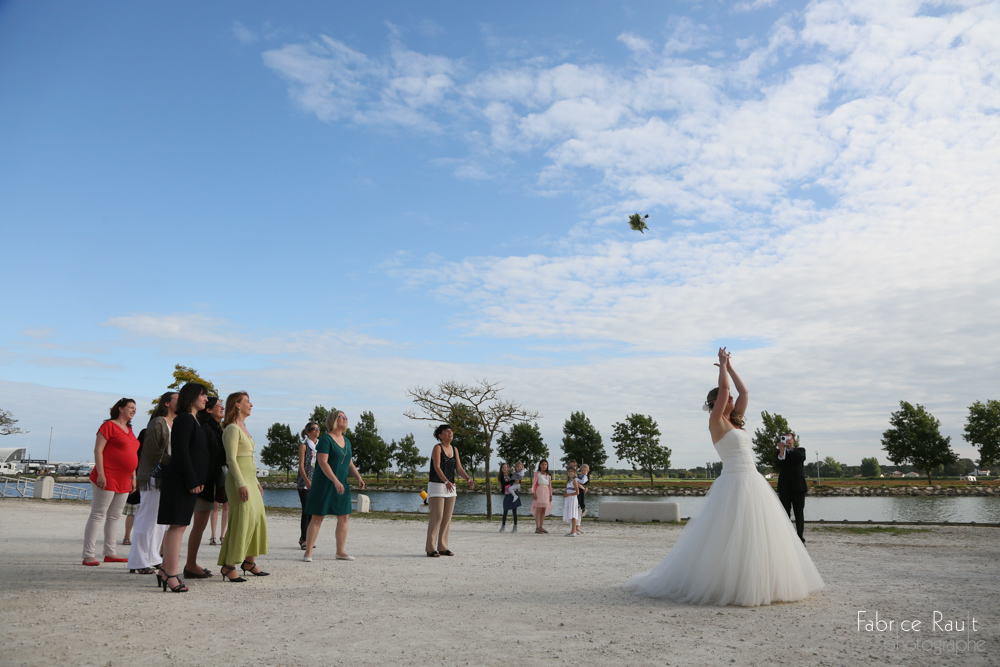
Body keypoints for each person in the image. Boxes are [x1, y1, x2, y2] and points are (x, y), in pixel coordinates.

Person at [623, 348, 824, 606]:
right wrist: (721, 366)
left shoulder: (737, 421)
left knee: (758, 533)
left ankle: (761, 581)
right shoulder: (716, 422)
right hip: (733, 482)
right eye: (726, 399)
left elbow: (744, 392)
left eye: (728, 399)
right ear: (718, 402)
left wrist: (729, 367)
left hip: (753, 480)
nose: (731, 401)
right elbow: (727, 391)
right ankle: (729, 584)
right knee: (731, 533)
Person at [156, 383, 210, 592]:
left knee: (179, 527)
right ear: (191, 397)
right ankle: (171, 574)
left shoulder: (193, 420)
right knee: (177, 527)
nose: (206, 399)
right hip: (180, 481)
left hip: (185, 480)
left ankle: (164, 570)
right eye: (203, 395)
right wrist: (192, 480)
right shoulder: (185, 419)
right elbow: (181, 453)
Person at [81, 398, 140, 566]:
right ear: (120, 409)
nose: (134, 410)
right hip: (107, 475)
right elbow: (98, 450)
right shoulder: (108, 426)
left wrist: (133, 477)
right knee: (98, 514)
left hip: (124, 478)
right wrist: (101, 473)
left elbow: (132, 455)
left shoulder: (129, 429)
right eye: (131, 407)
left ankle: (110, 552)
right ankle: (88, 555)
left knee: (114, 516)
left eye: (135, 408)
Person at [217, 391, 268, 582]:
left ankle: (249, 562)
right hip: (238, 481)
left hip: (250, 480)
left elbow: (250, 460)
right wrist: (241, 484)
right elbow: (231, 459)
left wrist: (255, 482)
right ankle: (228, 565)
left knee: (256, 518)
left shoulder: (244, 427)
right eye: (248, 401)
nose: (251, 405)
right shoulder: (231, 428)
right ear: (237, 405)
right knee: (242, 520)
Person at [303, 410, 366, 562]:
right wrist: (335, 481)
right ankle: (308, 553)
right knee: (317, 517)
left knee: (344, 516)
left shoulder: (347, 441)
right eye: (341, 417)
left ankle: (340, 551)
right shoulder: (326, 440)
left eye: (346, 417)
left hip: (341, 485)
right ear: (333, 420)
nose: (345, 419)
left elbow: (349, 462)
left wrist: (358, 477)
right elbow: (323, 463)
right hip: (324, 484)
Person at [126, 392, 177, 575]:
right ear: (167, 403)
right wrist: (174, 462)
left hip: (168, 476)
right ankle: (137, 561)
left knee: (159, 521)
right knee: (146, 518)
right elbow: (152, 451)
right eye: (177, 400)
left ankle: (153, 556)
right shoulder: (157, 422)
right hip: (154, 476)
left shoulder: (176, 423)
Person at [182, 396, 227, 579]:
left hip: (209, 483)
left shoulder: (216, 429)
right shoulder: (207, 429)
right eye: (219, 406)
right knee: (197, 525)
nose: (222, 408)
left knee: (197, 525)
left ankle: (189, 563)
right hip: (204, 484)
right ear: (209, 410)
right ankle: (190, 564)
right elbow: (203, 458)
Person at [425, 424, 475, 557]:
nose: (450, 433)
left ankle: (442, 547)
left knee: (447, 518)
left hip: (450, 488)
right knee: (437, 517)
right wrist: (446, 481)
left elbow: (459, 468)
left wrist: (467, 479)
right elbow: (436, 467)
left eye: (451, 431)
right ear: (440, 435)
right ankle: (430, 548)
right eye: (447, 431)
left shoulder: (455, 449)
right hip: (437, 486)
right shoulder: (437, 448)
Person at [775, 432, 807, 544]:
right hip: (785, 487)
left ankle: (800, 536)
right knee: (785, 513)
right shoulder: (779, 452)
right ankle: (787, 536)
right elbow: (778, 464)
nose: (788, 440)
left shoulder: (800, 450)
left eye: (790, 438)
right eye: (785, 438)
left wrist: (791, 448)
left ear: (794, 440)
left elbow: (801, 458)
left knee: (799, 513)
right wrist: (782, 450)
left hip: (798, 487)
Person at [296, 421, 320, 549]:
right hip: (305, 483)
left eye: (318, 428)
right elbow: (301, 465)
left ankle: (308, 538)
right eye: (314, 429)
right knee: (306, 510)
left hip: (317, 483)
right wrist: (306, 480)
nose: (317, 430)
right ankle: (304, 539)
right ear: (308, 432)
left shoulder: (320, 446)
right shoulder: (304, 446)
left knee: (313, 511)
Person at [121, 427, 145, 546]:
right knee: (133, 510)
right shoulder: (138, 449)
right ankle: (127, 536)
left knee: (135, 510)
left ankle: (129, 536)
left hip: (141, 477)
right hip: (137, 478)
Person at [498, 463, 522, 533]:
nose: (504, 468)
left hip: (514, 494)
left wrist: (518, 481)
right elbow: (504, 483)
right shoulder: (501, 477)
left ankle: (515, 527)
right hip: (507, 495)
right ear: (501, 469)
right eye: (503, 467)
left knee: (514, 511)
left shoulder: (511, 475)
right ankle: (503, 526)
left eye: (506, 467)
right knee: (505, 511)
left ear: (508, 468)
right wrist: (512, 480)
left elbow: (518, 479)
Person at [530, 459, 552, 534]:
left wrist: (550, 495)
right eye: (542, 464)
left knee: (543, 510)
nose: (544, 466)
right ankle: (537, 527)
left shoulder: (548, 475)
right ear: (540, 465)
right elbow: (534, 484)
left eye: (545, 464)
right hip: (539, 491)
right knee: (538, 510)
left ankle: (541, 526)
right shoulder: (537, 473)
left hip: (546, 492)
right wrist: (533, 492)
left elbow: (550, 486)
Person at [562, 463, 584, 537]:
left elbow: (577, 492)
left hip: (572, 499)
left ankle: (573, 531)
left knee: (573, 514)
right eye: (569, 472)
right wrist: (565, 493)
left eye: (572, 471)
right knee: (571, 514)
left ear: (574, 473)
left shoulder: (574, 481)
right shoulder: (569, 481)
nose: (570, 473)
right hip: (569, 499)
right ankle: (572, 530)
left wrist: (568, 495)